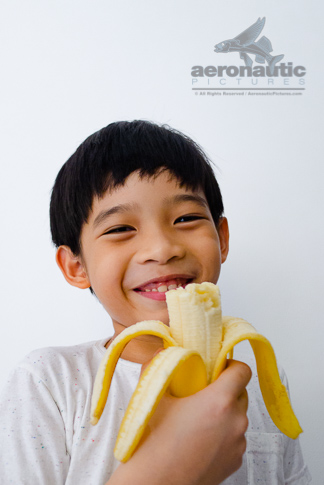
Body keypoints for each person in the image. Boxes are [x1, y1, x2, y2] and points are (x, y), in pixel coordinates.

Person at [0, 121, 310, 484]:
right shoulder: (49, 382)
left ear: (222, 239)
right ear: (76, 266)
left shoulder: (260, 380)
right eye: (120, 229)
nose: (162, 249)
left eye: (187, 218)